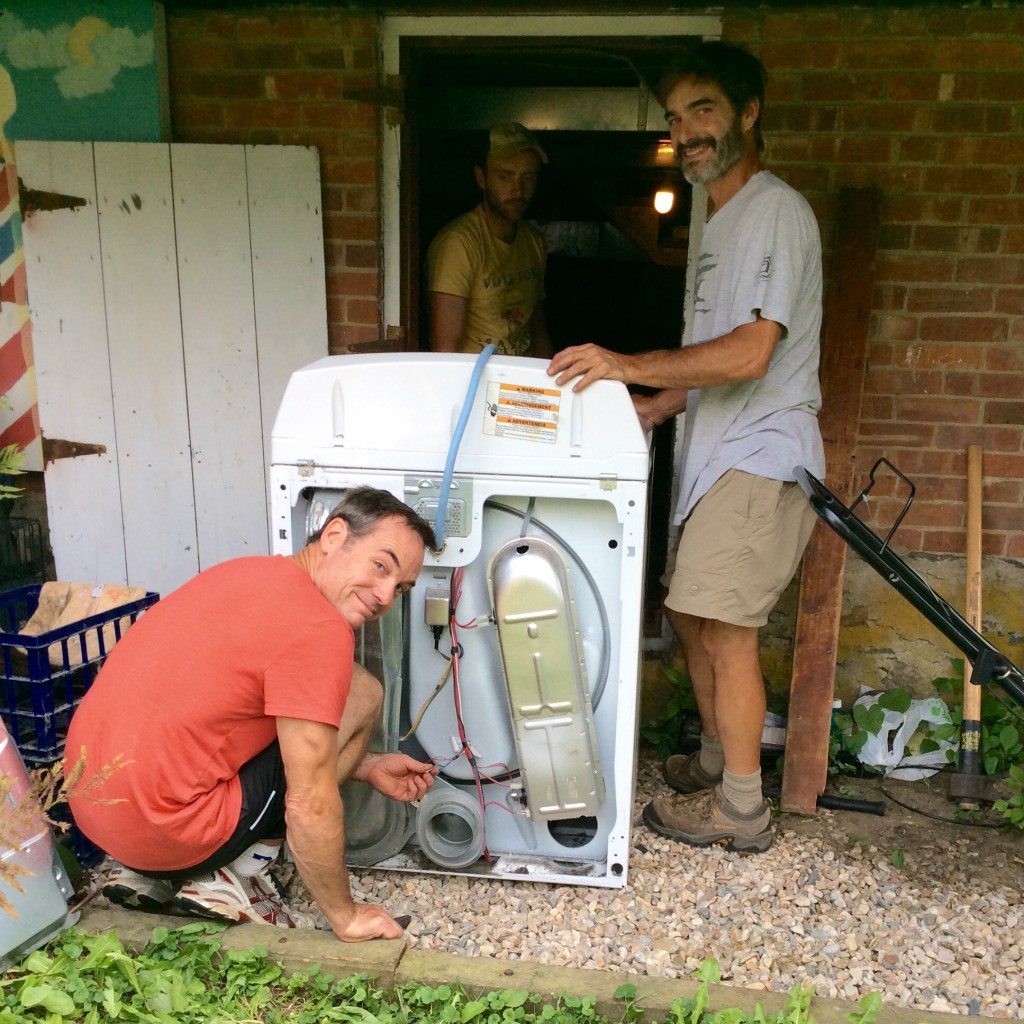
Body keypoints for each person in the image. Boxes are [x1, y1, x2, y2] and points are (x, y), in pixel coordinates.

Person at [546, 41, 825, 853]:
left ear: (748, 113)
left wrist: (624, 364)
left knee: (726, 629)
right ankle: (713, 759)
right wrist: (651, 406)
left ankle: (742, 809)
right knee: (690, 615)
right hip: (716, 450)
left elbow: (750, 354)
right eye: (674, 118)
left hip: (759, 453)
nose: (685, 131)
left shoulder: (773, 211)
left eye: (703, 110)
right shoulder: (719, 218)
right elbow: (713, 361)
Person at [65, 487, 439, 940]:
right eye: (381, 566)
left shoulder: (244, 572)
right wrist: (346, 915)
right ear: (335, 535)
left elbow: (210, 712)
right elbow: (310, 802)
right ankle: (236, 875)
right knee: (364, 695)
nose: (384, 595)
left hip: (98, 818)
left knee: (352, 686)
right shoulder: (318, 630)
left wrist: (365, 765)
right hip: (168, 832)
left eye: (401, 588)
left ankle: (145, 874)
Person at [426, 121, 552, 357]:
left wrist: (551, 384)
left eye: (528, 177)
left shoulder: (534, 241)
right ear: (481, 178)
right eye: (505, 177)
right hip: (478, 381)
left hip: (520, 384)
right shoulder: (458, 244)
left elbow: (537, 331)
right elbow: (445, 350)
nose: (518, 189)